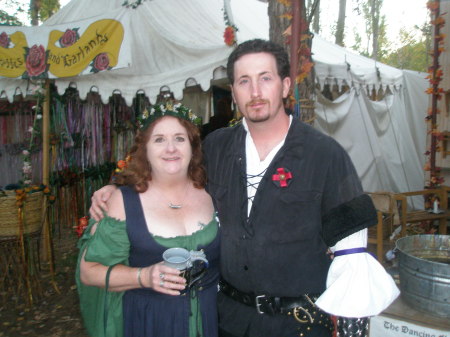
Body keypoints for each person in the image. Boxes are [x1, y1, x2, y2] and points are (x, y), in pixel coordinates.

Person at [90, 39, 399, 337]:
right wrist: (117, 188)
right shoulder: (216, 147)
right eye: (243, 81)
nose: (255, 91)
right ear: (234, 93)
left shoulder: (326, 155)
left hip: (297, 325)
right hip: (227, 319)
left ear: (286, 86)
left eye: (265, 78)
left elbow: (352, 256)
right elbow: (167, 176)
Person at [77, 103, 220, 337]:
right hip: (149, 322)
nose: (171, 148)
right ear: (145, 149)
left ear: (193, 146)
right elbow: (88, 272)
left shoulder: (213, 191)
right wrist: (144, 277)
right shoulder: (123, 202)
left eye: (179, 139)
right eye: (159, 139)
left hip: (208, 320)